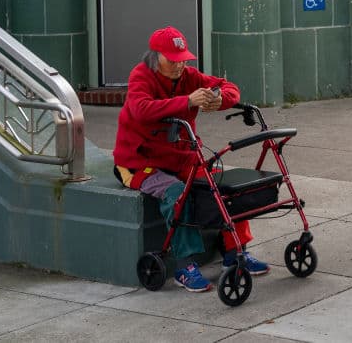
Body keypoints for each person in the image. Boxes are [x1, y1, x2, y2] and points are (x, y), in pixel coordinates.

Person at [113, 26, 269, 293]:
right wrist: (187, 101)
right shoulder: (141, 75)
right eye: (173, 60)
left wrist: (218, 99)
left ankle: (236, 253)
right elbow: (141, 109)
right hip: (138, 162)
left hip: (182, 158)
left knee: (222, 188)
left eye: (183, 59)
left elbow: (228, 87)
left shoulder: (189, 76)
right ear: (155, 57)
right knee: (177, 194)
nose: (179, 65)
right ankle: (184, 266)